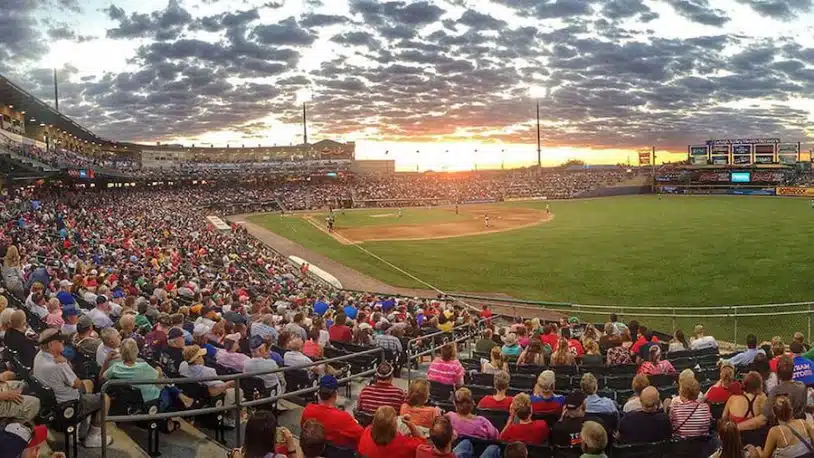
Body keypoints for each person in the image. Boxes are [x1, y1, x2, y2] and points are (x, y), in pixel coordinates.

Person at [32, 329, 111, 447]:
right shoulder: (59, 365)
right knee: (105, 398)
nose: (63, 343)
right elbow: (77, 384)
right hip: (68, 405)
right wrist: (66, 363)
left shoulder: (39, 355)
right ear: (51, 344)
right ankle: (92, 437)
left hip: (53, 401)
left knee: (89, 383)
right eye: (60, 341)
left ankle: (81, 430)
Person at [103, 338, 192, 412]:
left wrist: (106, 361)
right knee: (166, 385)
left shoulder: (115, 367)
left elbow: (102, 378)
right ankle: (182, 398)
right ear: (136, 351)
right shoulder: (144, 367)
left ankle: (182, 397)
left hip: (132, 398)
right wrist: (159, 371)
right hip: (151, 402)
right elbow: (161, 383)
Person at [738, 356, 806, 432]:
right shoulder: (802, 386)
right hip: (799, 428)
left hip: (784, 431)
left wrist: (737, 427)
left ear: (778, 373)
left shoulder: (776, 390)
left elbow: (763, 419)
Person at [179, 345, 237, 427]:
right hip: (208, 397)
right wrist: (228, 384)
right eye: (201, 356)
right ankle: (230, 420)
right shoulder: (208, 371)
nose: (203, 358)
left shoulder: (183, 366)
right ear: (196, 359)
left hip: (194, 394)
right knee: (237, 390)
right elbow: (219, 387)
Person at [300, 375, 363, 447]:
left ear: (319, 393)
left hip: (316, 451)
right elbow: (362, 436)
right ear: (335, 394)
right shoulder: (343, 417)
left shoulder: (307, 410)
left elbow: (304, 430)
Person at [746, 395, 814, 458]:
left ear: (774, 413)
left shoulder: (775, 431)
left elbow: (765, 456)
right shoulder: (803, 423)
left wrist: (756, 450)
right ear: (791, 410)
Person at [358, 406, 423, 458]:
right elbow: (422, 444)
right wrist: (410, 425)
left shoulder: (367, 431)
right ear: (394, 426)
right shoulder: (404, 444)